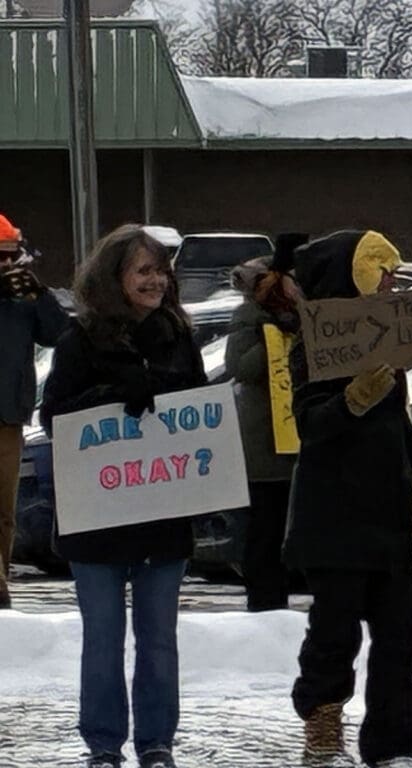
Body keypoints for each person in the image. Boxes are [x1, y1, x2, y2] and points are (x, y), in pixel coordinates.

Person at [40, 224, 207, 768]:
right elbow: (55, 418)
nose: (156, 281)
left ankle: (157, 742)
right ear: (115, 278)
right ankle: (104, 745)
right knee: (104, 639)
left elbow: (199, 411)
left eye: (161, 270)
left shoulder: (178, 335)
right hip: (97, 517)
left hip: (162, 511)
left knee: (160, 639)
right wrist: (110, 397)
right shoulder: (80, 339)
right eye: (144, 270)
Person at [284, 229, 412, 768]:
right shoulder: (313, 342)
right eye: (383, 273)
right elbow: (308, 426)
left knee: (399, 639)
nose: (393, 284)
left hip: (387, 515)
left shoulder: (387, 338)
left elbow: (396, 419)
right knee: (334, 632)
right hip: (333, 517)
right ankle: (324, 727)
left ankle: (393, 746)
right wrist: (351, 400)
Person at [225, 232, 308, 612]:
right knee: (264, 535)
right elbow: (239, 368)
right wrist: (274, 336)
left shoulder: (315, 312)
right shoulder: (251, 315)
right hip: (264, 447)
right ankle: (265, 609)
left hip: (302, 444)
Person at [0, 212, 67, 609]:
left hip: (9, 415)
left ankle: (1, 578)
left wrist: (39, 294)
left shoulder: (22, 300)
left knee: (5, 510)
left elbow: (59, 333)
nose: (7, 264)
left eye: (12, 255)